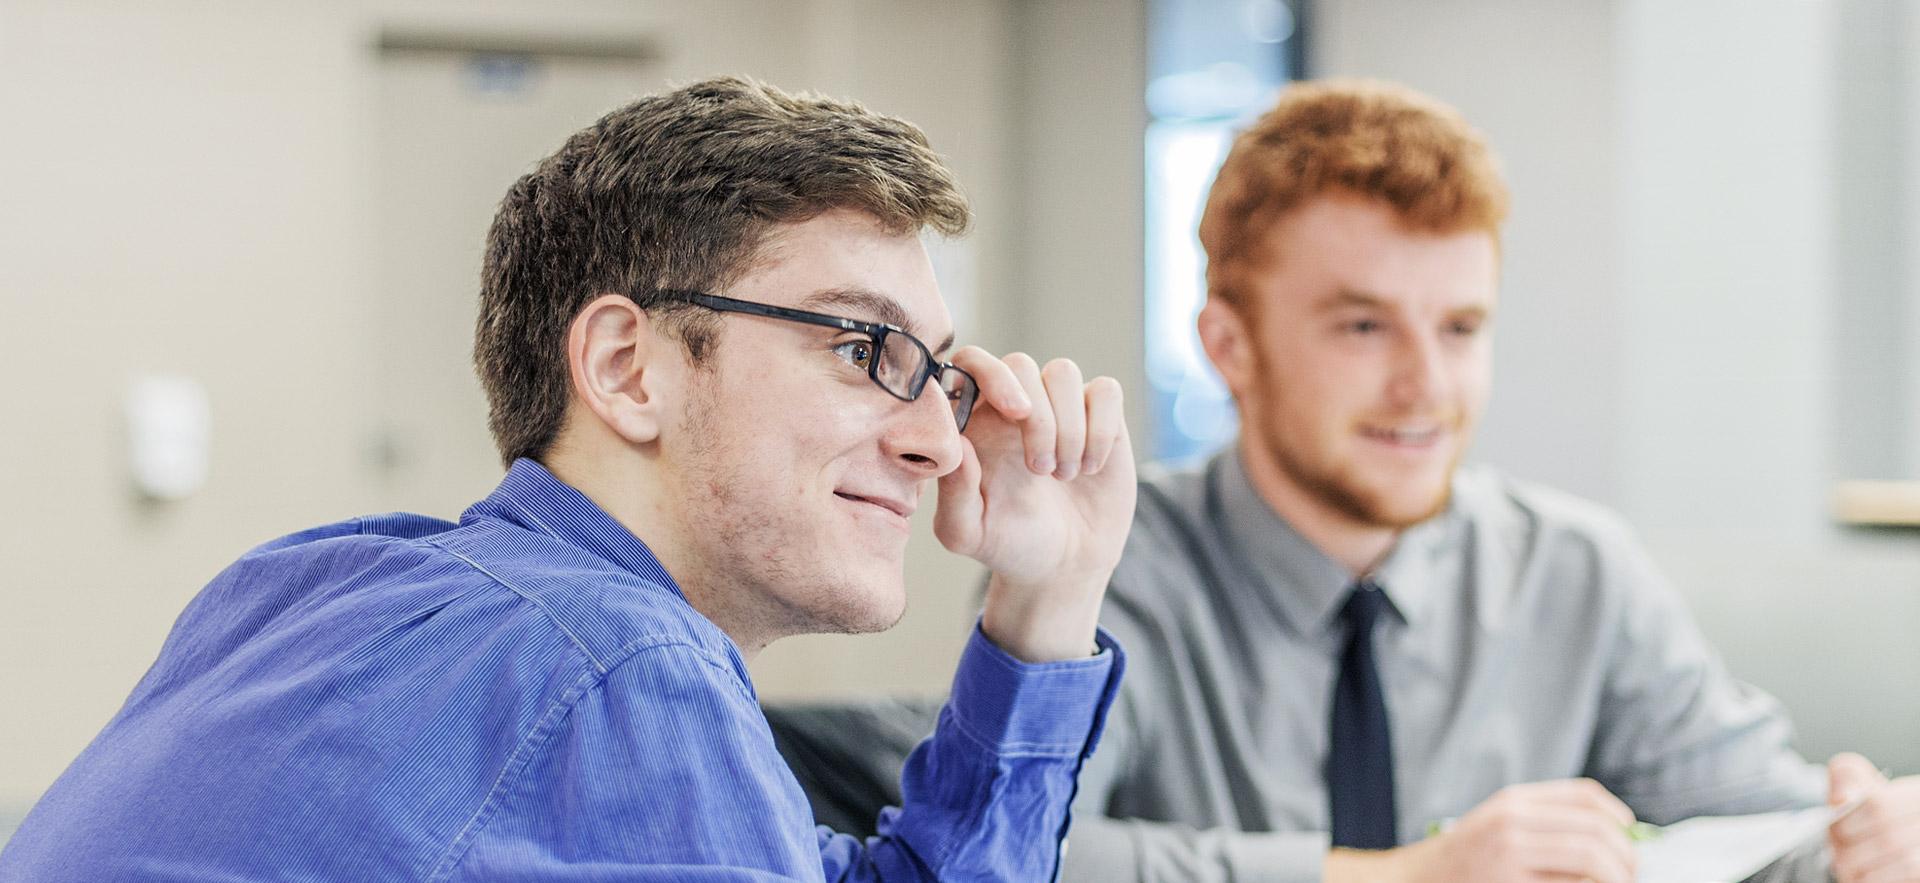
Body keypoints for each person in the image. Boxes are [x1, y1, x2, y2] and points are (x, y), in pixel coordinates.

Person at [0, 76, 1137, 882]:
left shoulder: (313, 583)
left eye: (940, 374)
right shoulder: (621, 669)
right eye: (861, 350)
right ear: (625, 367)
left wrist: (1050, 597)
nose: (942, 439)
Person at [1060, 78, 1920, 883]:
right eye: (1364, 326)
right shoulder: (1101, 565)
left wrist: (1865, 841)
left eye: (1461, 327)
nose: (1427, 385)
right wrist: (1402, 876)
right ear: (1229, 347)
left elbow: (1772, 829)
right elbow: (1019, 850)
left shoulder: (1576, 569)